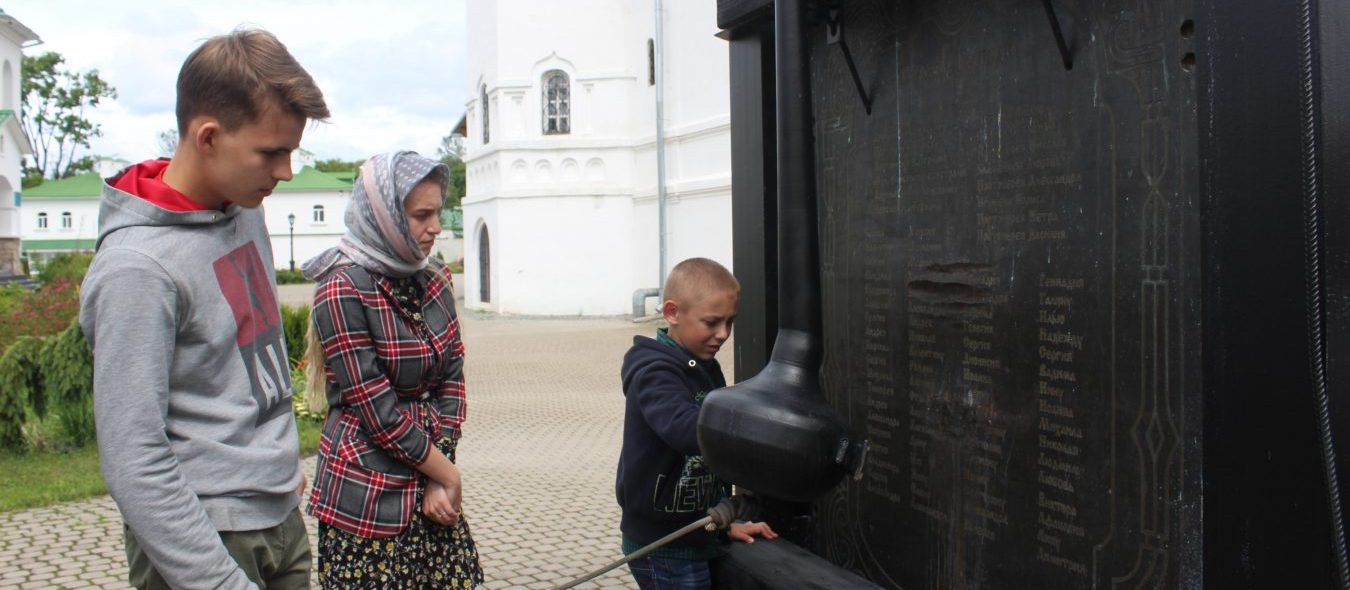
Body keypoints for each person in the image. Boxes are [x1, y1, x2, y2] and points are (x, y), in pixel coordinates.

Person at [79, 28, 329, 590]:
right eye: (272, 151)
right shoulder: (136, 268)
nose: (286, 171)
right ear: (208, 136)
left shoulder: (242, 207)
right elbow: (132, 456)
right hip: (204, 539)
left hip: (279, 517)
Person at [301, 150, 484, 588]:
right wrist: (446, 474)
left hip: (434, 484)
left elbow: (452, 376)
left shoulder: (435, 277)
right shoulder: (341, 289)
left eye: (438, 212)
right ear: (383, 217)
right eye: (422, 215)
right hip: (367, 497)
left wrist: (440, 473)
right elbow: (377, 412)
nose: (436, 227)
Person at [616, 257, 778, 588]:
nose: (723, 334)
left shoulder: (702, 364)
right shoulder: (652, 371)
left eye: (730, 322)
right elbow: (685, 429)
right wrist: (754, 432)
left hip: (696, 532)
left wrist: (721, 524)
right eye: (712, 322)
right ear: (673, 313)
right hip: (664, 545)